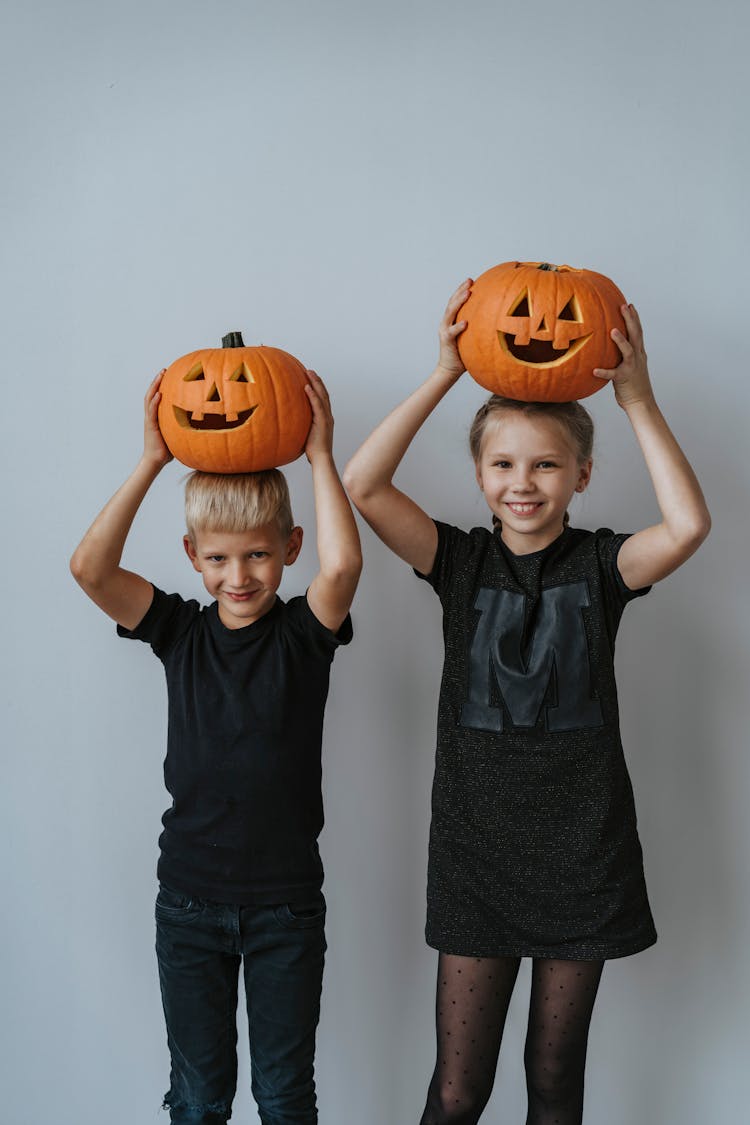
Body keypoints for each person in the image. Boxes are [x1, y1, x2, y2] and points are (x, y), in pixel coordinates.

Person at [343, 279, 710, 1125]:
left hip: (585, 853)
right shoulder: (459, 563)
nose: (524, 482)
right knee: (457, 1091)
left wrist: (637, 396)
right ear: (478, 474)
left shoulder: (604, 567)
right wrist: (444, 371)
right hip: (476, 855)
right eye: (503, 464)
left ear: (582, 474)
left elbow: (688, 526)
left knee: (553, 1085)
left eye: (545, 464)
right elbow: (365, 483)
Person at [70, 368, 362, 1125]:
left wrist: (321, 456)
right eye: (221, 558)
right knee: (199, 1098)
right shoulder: (178, 631)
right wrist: (152, 461)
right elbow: (89, 569)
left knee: (283, 1095)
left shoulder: (305, 634)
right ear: (194, 555)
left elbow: (346, 567)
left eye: (259, 556)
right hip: (189, 903)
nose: (240, 575)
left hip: (286, 909)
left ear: (289, 548)